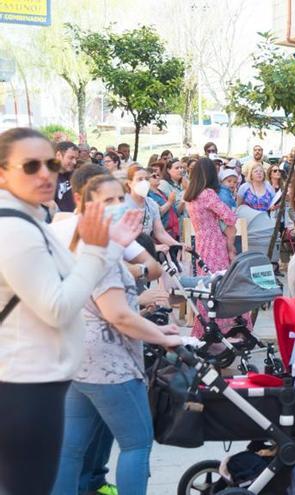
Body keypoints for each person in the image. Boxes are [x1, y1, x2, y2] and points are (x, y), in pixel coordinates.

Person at [0, 127, 141, 495]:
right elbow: (58, 308)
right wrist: (98, 251)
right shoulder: (14, 229)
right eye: (30, 166)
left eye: (49, 163)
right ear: (2, 173)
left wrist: (111, 248)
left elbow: (75, 280)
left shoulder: (31, 219)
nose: (46, 173)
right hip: (25, 384)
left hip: (40, 381)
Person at [51, 175, 183, 495]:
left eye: (118, 198)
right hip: (108, 365)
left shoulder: (85, 239)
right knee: (136, 445)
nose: (116, 206)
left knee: (70, 451)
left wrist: (155, 328)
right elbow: (118, 315)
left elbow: (123, 297)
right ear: (84, 203)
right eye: (106, 201)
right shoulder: (99, 249)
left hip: (77, 357)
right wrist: (163, 338)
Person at [184, 158, 240, 338]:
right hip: (215, 243)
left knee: (205, 287)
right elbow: (230, 217)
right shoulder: (207, 194)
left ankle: (204, 329)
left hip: (200, 243)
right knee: (220, 286)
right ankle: (222, 330)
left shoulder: (190, 195)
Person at [125, 167, 183, 249]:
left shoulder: (151, 204)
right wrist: (154, 247)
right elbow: (125, 238)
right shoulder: (123, 205)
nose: (144, 182)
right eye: (140, 179)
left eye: (146, 179)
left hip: (146, 253)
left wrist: (178, 245)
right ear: (129, 183)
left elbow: (160, 233)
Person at [148, 161, 180, 240]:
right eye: (154, 176)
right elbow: (158, 213)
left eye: (158, 175)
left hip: (173, 232)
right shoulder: (149, 195)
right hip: (163, 234)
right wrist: (169, 202)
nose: (158, 177)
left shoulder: (161, 192)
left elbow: (174, 212)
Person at [55, 141, 79, 213]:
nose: (74, 162)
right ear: (58, 155)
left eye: (76, 158)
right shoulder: (47, 178)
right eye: (71, 158)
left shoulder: (76, 175)